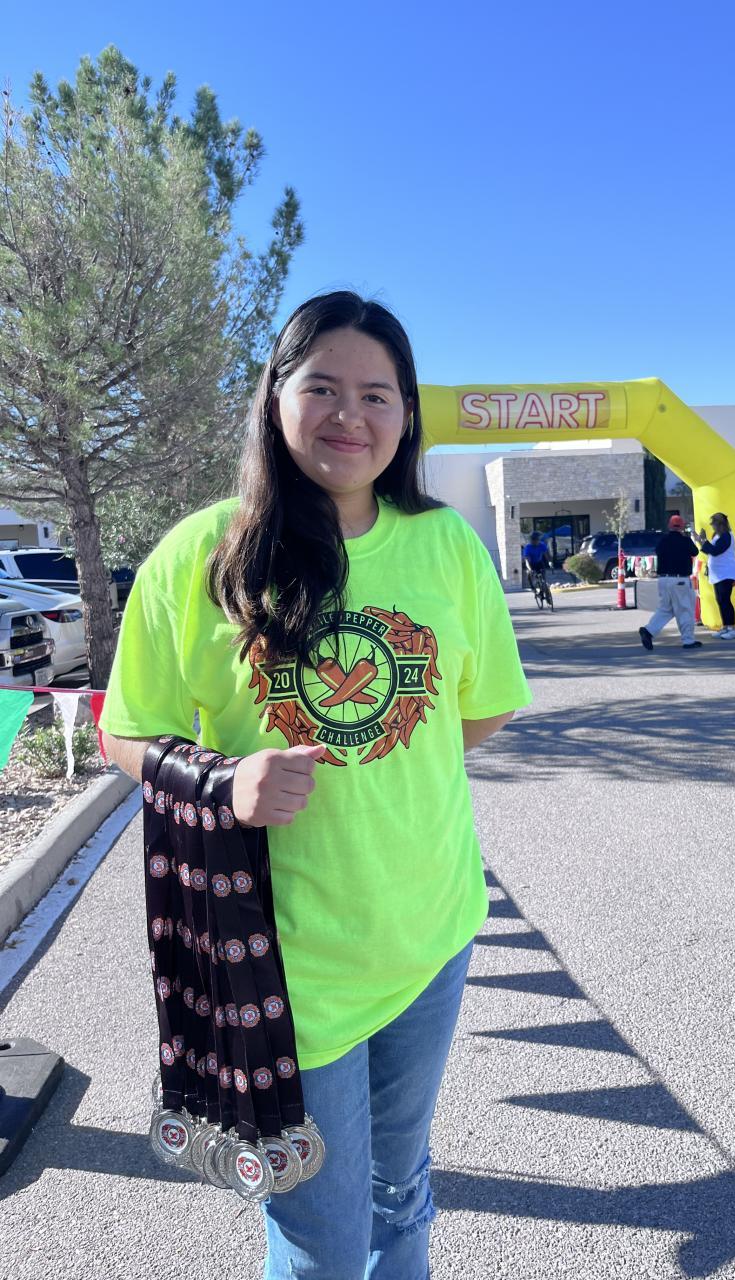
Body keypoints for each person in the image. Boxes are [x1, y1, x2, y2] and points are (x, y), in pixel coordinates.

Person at [98, 291, 531, 1279]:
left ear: (407, 415)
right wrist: (224, 782)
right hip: (282, 969)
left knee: (400, 1190)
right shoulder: (201, 555)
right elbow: (124, 729)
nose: (350, 415)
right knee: (321, 1241)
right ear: (274, 397)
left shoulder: (447, 546)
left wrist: (390, 754)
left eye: (378, 394)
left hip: (428, 934)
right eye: (323, 387)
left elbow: (480, 710)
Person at [638, 515, 701, 650]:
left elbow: (658, 551)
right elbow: (695, 552)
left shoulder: (663, 541)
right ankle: (688, 641)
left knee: (666, 609)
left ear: (669, 526)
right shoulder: (685, 540)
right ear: (682, 527)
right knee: (685, 610)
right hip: (680, 580)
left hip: (663, 580)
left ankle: (648, 631)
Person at [693, 511, 735, 637]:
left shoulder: (727, 536)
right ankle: (725, 626)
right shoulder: (717, 536)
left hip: (726, 573)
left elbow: (715, 551)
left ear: (720, 524)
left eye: (713, 524)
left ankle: (732, 628)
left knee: (725, 600)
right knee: (720, 600)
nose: (712, 526)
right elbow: (710, 550)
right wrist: (701, 541)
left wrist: (703, 541)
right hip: (718, 573)